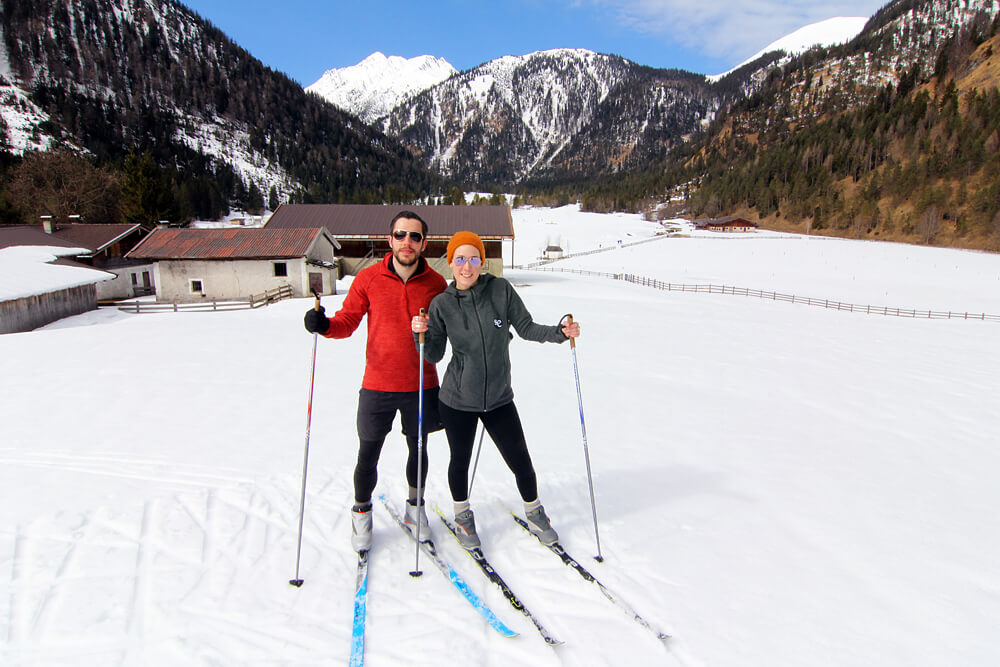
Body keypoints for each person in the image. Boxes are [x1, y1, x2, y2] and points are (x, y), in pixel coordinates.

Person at [411, 231, 580, 549]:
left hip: (500, 398)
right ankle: (462, 515)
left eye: (473, 258)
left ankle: (534, 511)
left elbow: (527, 327)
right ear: (450, 263)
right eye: (459, 259)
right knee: (459, 460)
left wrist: (560, 332)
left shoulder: (500, 290)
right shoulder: (441, 305)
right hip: (458, 400)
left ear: (482, 261)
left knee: (520, 459)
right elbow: (432, 355)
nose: (467, 266)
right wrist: (419, 334)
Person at [304, 211, 446, 552]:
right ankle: (362, 512)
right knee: (368, 452)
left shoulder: (437, 285)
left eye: (414, 236)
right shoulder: (367, 279)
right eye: (401, 235)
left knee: (420, 448)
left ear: (424, 243)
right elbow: (347, 321)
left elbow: (446, 332)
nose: (407, 242)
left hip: (422, 386)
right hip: (377, 385)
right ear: (390, 240)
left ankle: (415, 509)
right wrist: (323, 326)